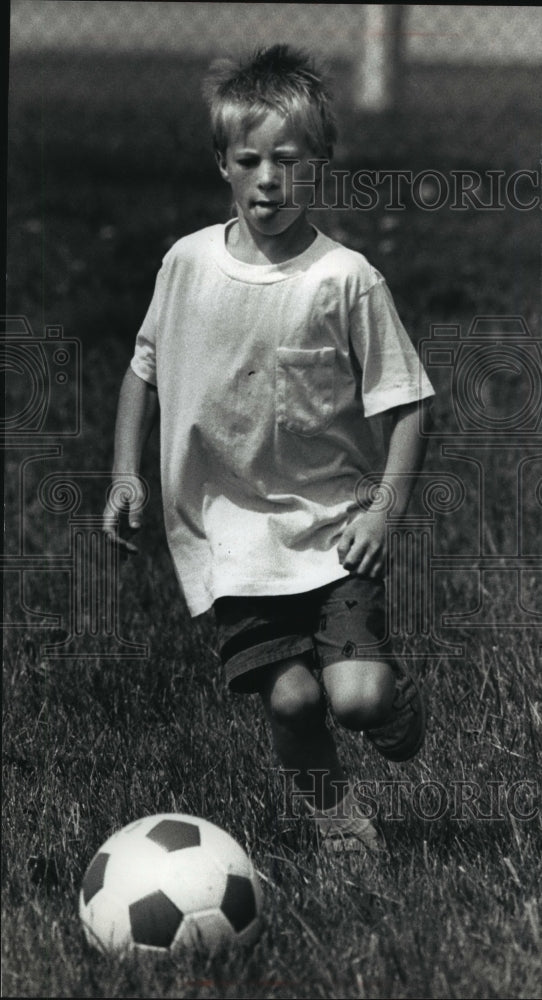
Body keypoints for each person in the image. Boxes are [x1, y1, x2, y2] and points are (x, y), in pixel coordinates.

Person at [103, 44, 435, 856]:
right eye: (249, 159)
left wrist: (384, 511)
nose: (268, 180)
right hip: (233, 541)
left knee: (356, 700)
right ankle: (339, 827)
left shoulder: (346, 280)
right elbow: (144, 370)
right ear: (222, 162)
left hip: (333, 532)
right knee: (291, 702)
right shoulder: (186, 265)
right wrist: (125, 475)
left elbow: (410, 402)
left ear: (319, 165)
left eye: (289, 161)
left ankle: (392, 698)